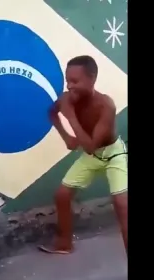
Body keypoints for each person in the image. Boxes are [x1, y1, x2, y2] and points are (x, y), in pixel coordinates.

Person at [38, 55, 128, 255]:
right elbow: (52, 113)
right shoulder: (66, 99)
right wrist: (65, 137)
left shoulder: (106, 105)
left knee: (122, 206)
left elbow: (90, 147)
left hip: (112, 154)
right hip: (92, 155)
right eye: (67, 80)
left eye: (75, 81)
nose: (69, 86)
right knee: (62, 195)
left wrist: (70, 115)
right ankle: (64, 243)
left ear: (92, 79)